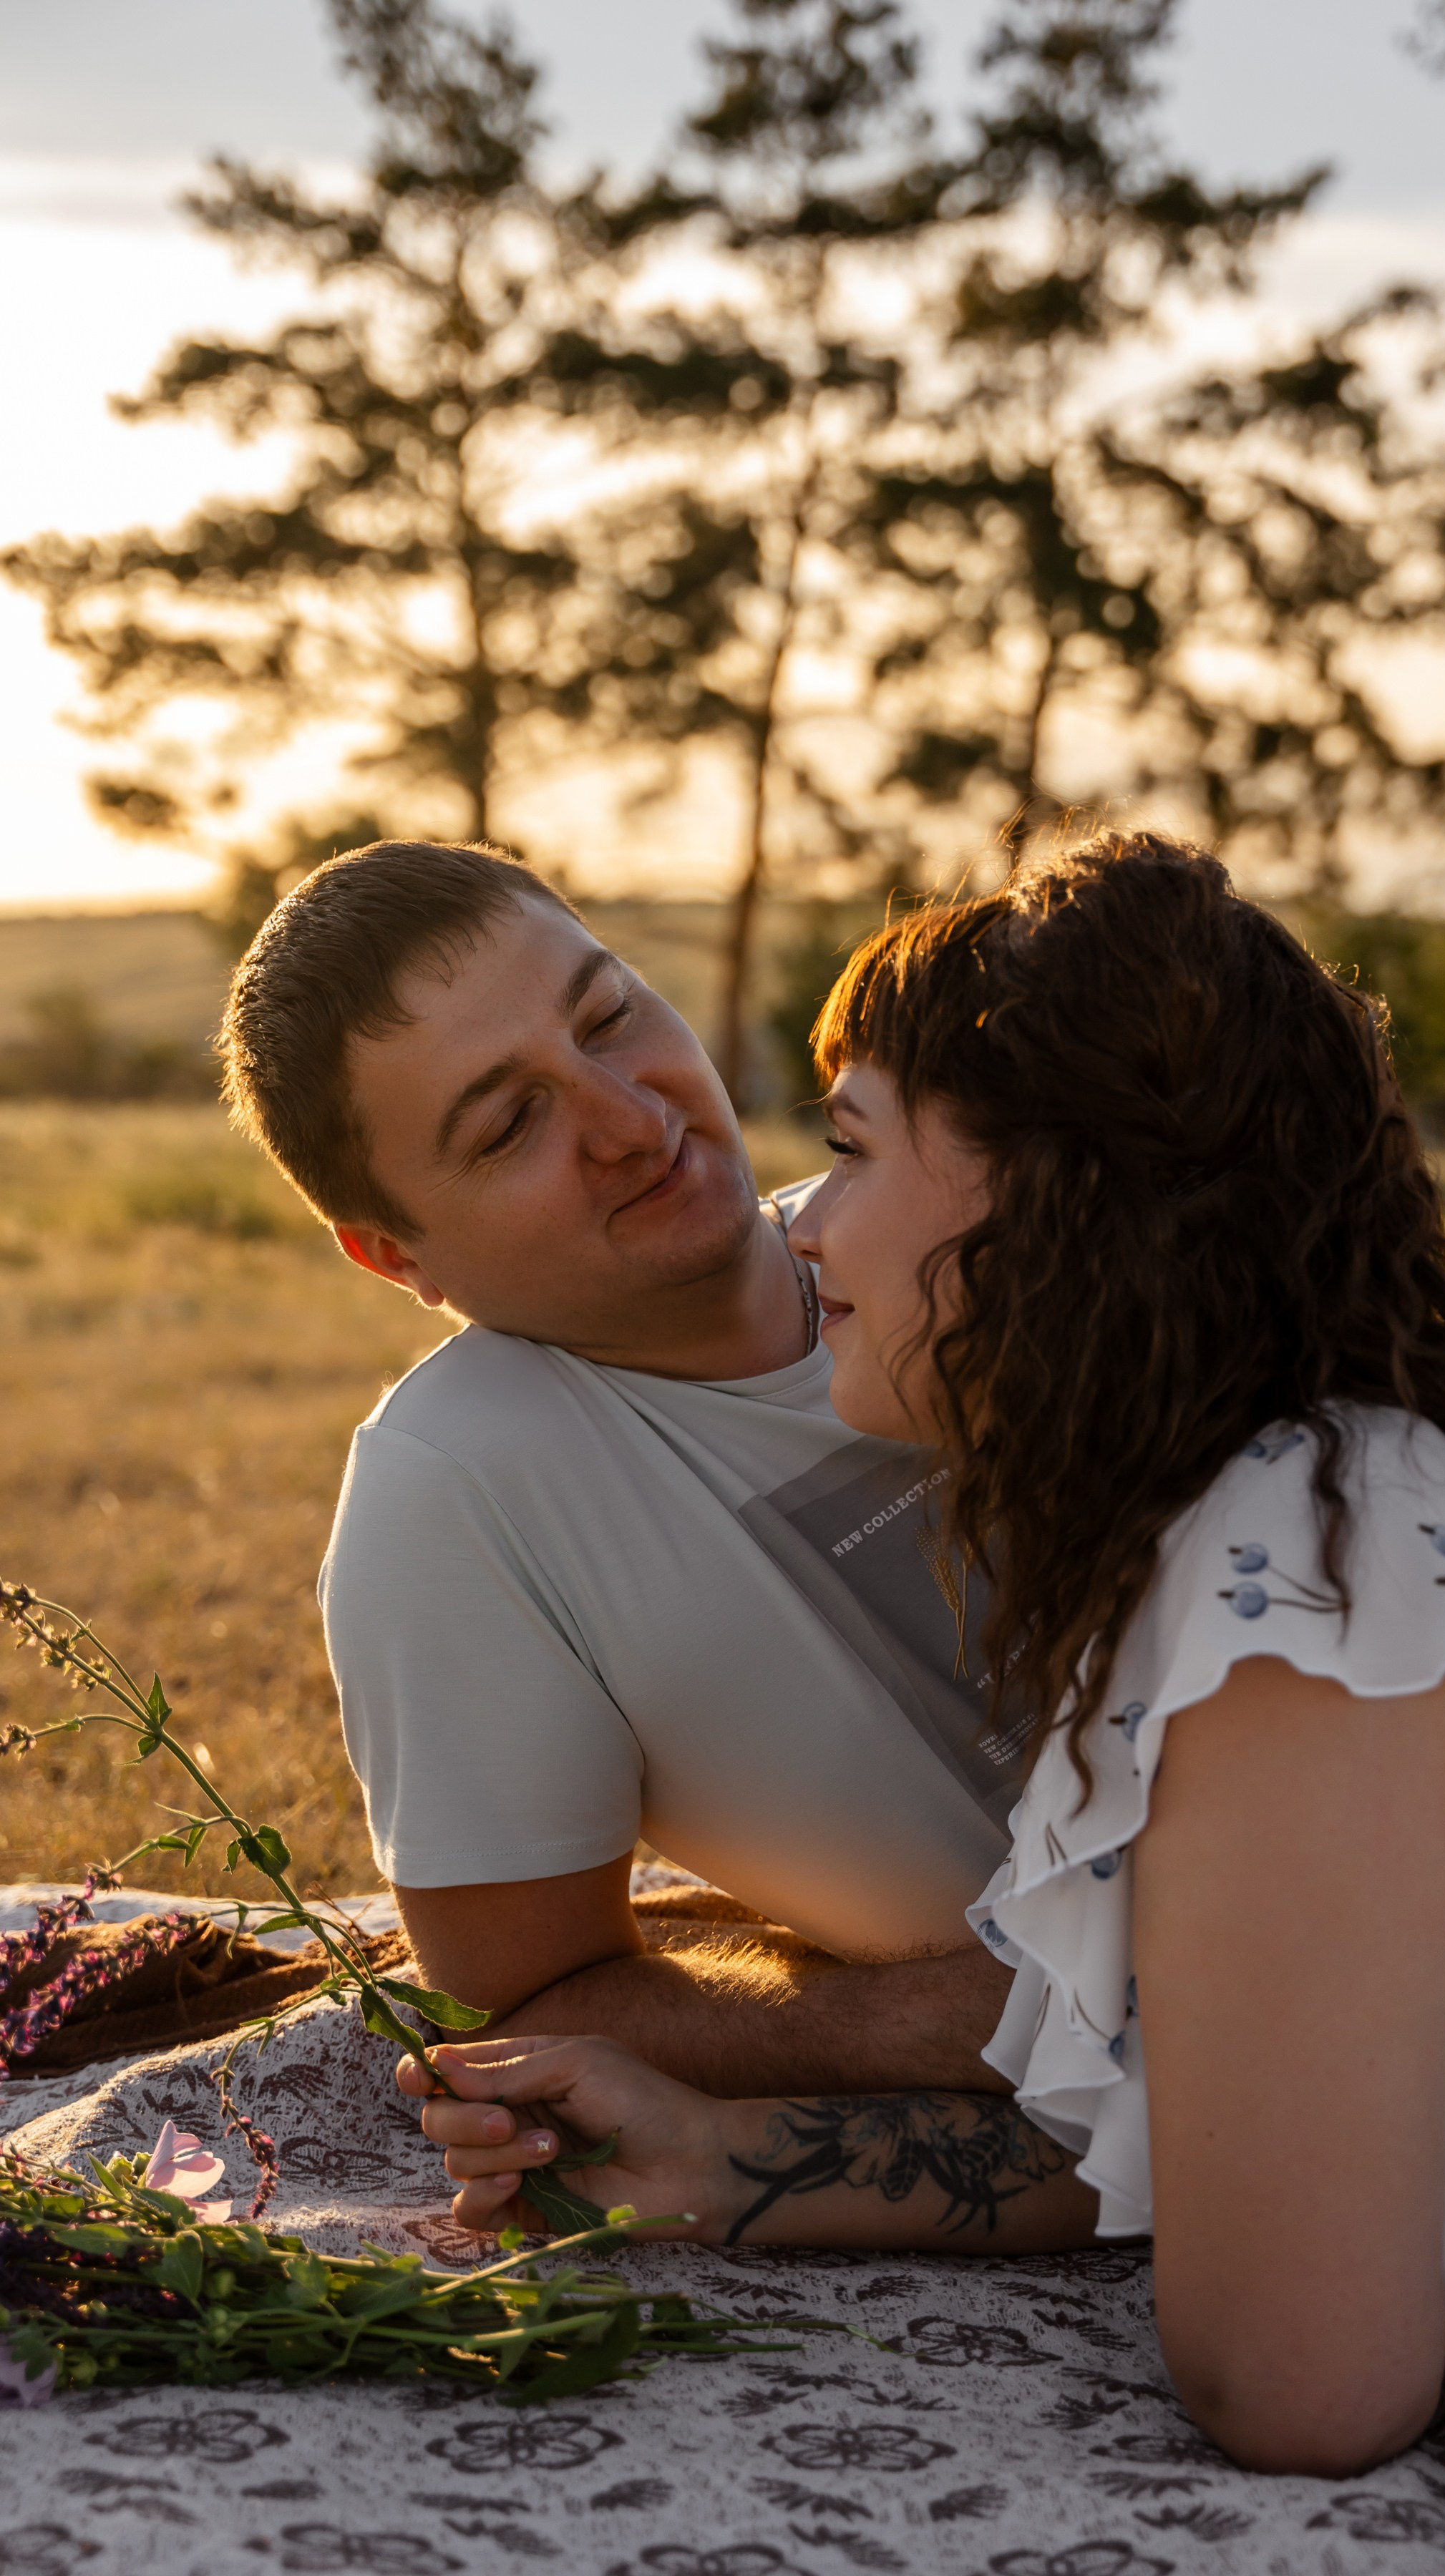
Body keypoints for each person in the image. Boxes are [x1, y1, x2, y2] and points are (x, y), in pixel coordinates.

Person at [404, 834, 1445, 2477]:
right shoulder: (1374, 1469)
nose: (806, 1234)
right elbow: (1248, 2115)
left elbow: (1306, 2384)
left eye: (853, 1147)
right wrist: (723, 2161)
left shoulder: (1301, 1613)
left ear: (1050, 1189)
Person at [220, 839, 1021, 2094]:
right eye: (508, 1125)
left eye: (609, 1017)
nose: (633, 1121)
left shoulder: (967, 1208)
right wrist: (945, 2025)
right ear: (395, 1258)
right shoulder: (462, 1487)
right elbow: (525, 1993)